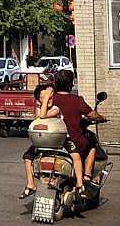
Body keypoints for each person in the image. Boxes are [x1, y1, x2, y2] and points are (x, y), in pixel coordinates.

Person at [50, 69, 104, 197]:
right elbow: (93, 115)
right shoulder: (76, 100)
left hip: (52, 141)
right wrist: (102, 118)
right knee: (92, 145)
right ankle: (87, 177)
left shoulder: (50, 99)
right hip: (73, 140)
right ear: (71, 84)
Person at [19, 82, 60, 199]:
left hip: (56, 142)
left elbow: (44, 116)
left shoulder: (56, 109)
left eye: (50, 97)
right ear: (38, 101)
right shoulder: (38, 109)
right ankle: (30, 184)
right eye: (44, 98)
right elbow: (39, 117)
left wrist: (45, 99)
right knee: (27, 157)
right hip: (42, 143)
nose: (48, 100)